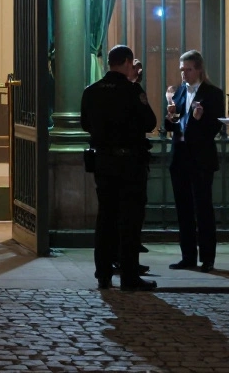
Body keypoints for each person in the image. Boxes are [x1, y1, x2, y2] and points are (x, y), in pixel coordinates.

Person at [82, 45, 158, 291]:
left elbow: (85, 124)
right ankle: (129, 276)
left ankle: (103, 273)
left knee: (105, 218)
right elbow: (150, 122)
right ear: (127, 62)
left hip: (103, 162)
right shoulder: (132, 90)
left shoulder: (91, 91)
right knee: (129, 220)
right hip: (130, 164)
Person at [163, 50, 224, 273]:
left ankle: (207, 258)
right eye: (182, 70)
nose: (184, 74)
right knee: (184, 210)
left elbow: (213, 129)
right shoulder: (179, 92)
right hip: (179, 158)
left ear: (199, 69)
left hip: (201, 160)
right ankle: (188, 256)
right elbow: (171, 126)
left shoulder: (213, 94)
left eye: (188, 69)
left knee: (203, 209)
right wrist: (169, 117)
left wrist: (199, 119)